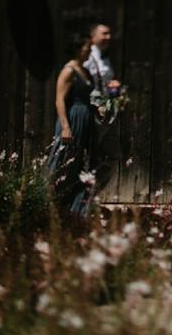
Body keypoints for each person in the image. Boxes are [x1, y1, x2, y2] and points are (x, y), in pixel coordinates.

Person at [46, 31, 98, 216]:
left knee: (82, 164)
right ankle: (51, 205)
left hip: (86, 119)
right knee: (65, 162)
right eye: (87, 47)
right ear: (78, 48)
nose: (90, 50)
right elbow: (59, 100)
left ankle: (76, 210)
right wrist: (66, 127)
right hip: (73, 119)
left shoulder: (84, 70)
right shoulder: (69, 71)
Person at [83, 20, 120, 197]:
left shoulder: (105, 58)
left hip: (109, 113)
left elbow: (105, 83)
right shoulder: (88, 57)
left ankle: (92, 193)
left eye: (109, 34)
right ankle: (82, 198)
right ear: (93, 37)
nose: (108, 37)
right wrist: (96, 104)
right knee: (90, 155)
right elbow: (84, 84)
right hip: (94, 112)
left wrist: (114, 91)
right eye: (104, 34)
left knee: (113, 156)